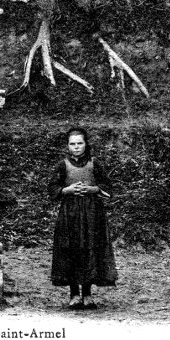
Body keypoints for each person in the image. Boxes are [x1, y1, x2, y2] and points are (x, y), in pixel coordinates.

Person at [49, 127, 118, 309]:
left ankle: (87, 294)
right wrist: (67, 190)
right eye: (73, 144)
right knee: (71, 249)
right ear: (67, 146)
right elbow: (52, 188)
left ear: (86, 144)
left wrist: (93, 189)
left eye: (80, 143)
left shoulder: (95, 163)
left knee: (90, 248)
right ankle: (74, 295)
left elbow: (108, 186)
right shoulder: (62, 165)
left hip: (92, 213)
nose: (76, 147)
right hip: (69, 214)